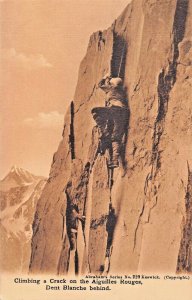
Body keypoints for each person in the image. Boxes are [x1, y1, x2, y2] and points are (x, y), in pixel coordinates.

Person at [91, 74, 128, 168]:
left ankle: (104, 132)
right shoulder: (120, 90)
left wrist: (105, 77)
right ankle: (115, 161)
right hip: (122, 112)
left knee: (95, 112)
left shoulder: (112, 88)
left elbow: (100, 85)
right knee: (116, 137)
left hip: (114, 110)